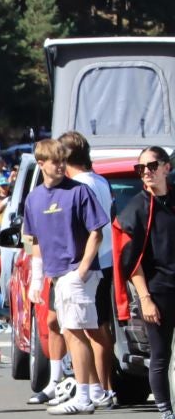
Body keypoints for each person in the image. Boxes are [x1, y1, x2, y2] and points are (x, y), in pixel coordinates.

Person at [23, 138, 108, 416]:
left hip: (77, 271)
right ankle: (95, 391)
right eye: (55, 161)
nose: (60, 166)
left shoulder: (80, 192)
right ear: (41, 164)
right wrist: (37, 280)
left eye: (63, 161)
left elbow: (97, 232)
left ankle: (84, 396)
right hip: (56, 274)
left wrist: (82, 269)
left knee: (75, 331)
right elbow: (35, 241)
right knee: (72, 329)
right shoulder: (34, 198)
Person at [116, 147, 175, 419]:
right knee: (160, 355)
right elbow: (132, 262)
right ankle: (167, 414)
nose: (147, 172)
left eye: (152, 166)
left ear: (166, 167)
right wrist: (146, 298)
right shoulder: (137, 208)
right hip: (159, 291)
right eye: (141, 168)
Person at [61, 132, 118, 405]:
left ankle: (99, 388)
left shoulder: (77, 185)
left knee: (87, 326)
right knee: (99, 323)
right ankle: (104, 386)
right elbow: (112, 215)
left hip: (87, 262)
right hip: (105, 259)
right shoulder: (101, 181)